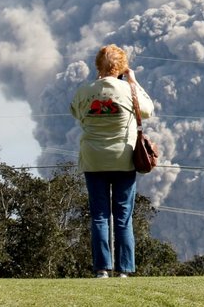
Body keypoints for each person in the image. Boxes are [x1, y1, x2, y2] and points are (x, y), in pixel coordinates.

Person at [70, 44, 154, 279]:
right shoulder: (129, 90)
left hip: (94, 160)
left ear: (98, 66)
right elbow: (148, 110)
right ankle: (125, 270)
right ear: (122, 67)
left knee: (99, 215)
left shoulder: (85, 91)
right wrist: (133, 81)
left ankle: (101, 270)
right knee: (123, 216)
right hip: (123, 159)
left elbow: (75, 113)